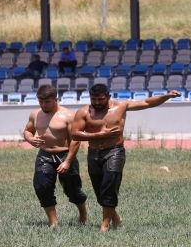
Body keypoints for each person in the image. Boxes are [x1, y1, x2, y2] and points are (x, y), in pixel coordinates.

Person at [71, 84, 181, 232]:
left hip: (114, 151)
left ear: (108, 97)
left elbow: (147, 103)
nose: (97, 102)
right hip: (94, 153)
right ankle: (115, 217)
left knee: (109, 186)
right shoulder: (84, 112)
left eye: (100, 99)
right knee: (99, 191)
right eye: (94, 99)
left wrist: (166, 97)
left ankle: (105, 224)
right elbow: (75, 134)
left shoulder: (120, 106)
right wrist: (99, 135)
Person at [23, 84, 87, 227]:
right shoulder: (35, 114)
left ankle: (83, 214)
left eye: (47, 102)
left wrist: (68, 161)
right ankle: (53, 222)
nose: (44, 105)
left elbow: (76, 140)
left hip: (65, 155)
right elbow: (28, 130)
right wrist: (30, 139)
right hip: (44, 155)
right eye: (41, 102)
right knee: (42, 187)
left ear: (55, 100)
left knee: (73, 189)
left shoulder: (69, 116)